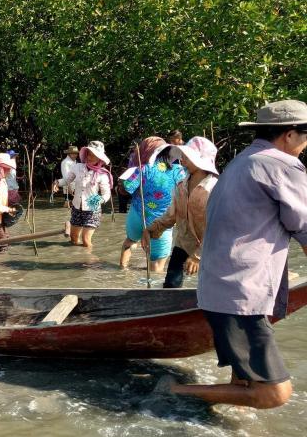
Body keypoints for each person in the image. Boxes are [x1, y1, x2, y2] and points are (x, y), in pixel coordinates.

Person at [168, 100, 307, 409]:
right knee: (274, 394)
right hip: (241, 293)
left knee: (244, 381)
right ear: (288, 135)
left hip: (223, 289)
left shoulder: (242, 161)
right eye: (305, 135)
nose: (305, 144)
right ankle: (174, 392)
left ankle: (198, 406)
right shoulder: (282, 165)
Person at [146, 137, 219, 288]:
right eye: (183, 155)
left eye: (187, 156)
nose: (182, 159)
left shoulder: (214, 189)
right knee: (171, 285)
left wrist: (198, 256)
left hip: (211, 247)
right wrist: (153, 228)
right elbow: (172, 215)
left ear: (199, 160)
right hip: (183, 243)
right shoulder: (181, 185)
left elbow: (218, 228)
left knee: (213, 289)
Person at [119, 137, 185, 271]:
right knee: (157, 265)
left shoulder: (142, 169)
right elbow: (185, 193)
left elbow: (126, 188)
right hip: (162, 221)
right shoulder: (178, 170)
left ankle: (123, 271)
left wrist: (121, 184)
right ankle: (151, 290)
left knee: (130, 241)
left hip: (138, 215)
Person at [62, 141, 112, 247]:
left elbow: (106, 194)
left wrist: (100, 200)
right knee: (74, 238)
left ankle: (89, 262)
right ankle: (75, 260)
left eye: (94, 155)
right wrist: (57, 182)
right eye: (89, 154)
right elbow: (67, 180)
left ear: (100, 158)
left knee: (86, 240)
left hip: (92, 209)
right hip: (76, 207)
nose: (90, 157)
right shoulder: (78, 167)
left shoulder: (102, 174)